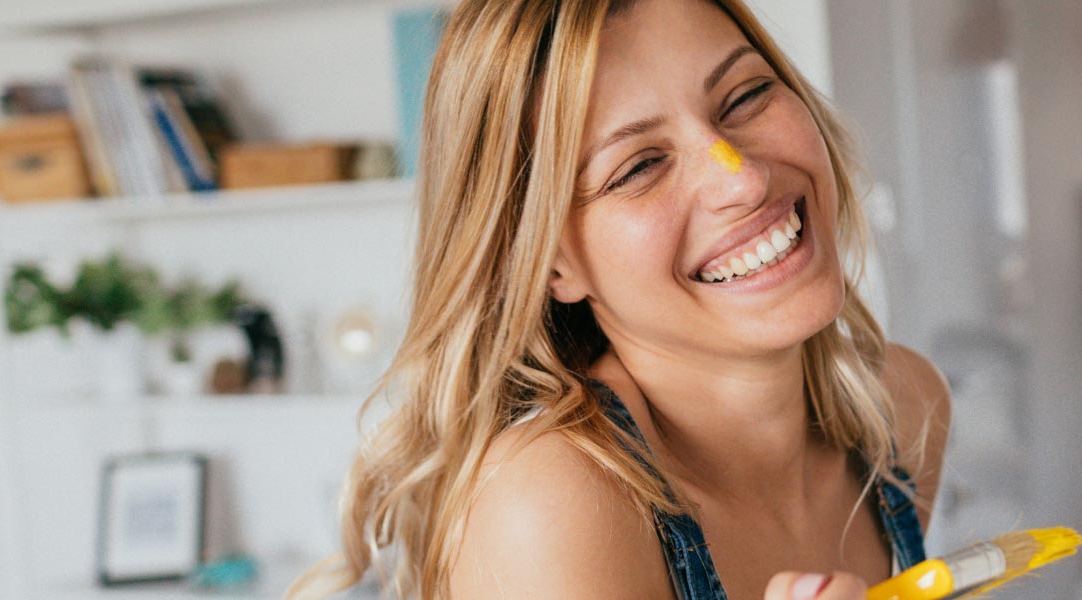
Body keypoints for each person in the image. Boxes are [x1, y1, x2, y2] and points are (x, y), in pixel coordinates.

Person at [290, 0, 950, 598]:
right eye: (638, 166)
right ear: (550, 264)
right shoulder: (554, 505)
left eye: (746, 95)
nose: (744, 180)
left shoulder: (904, 408)